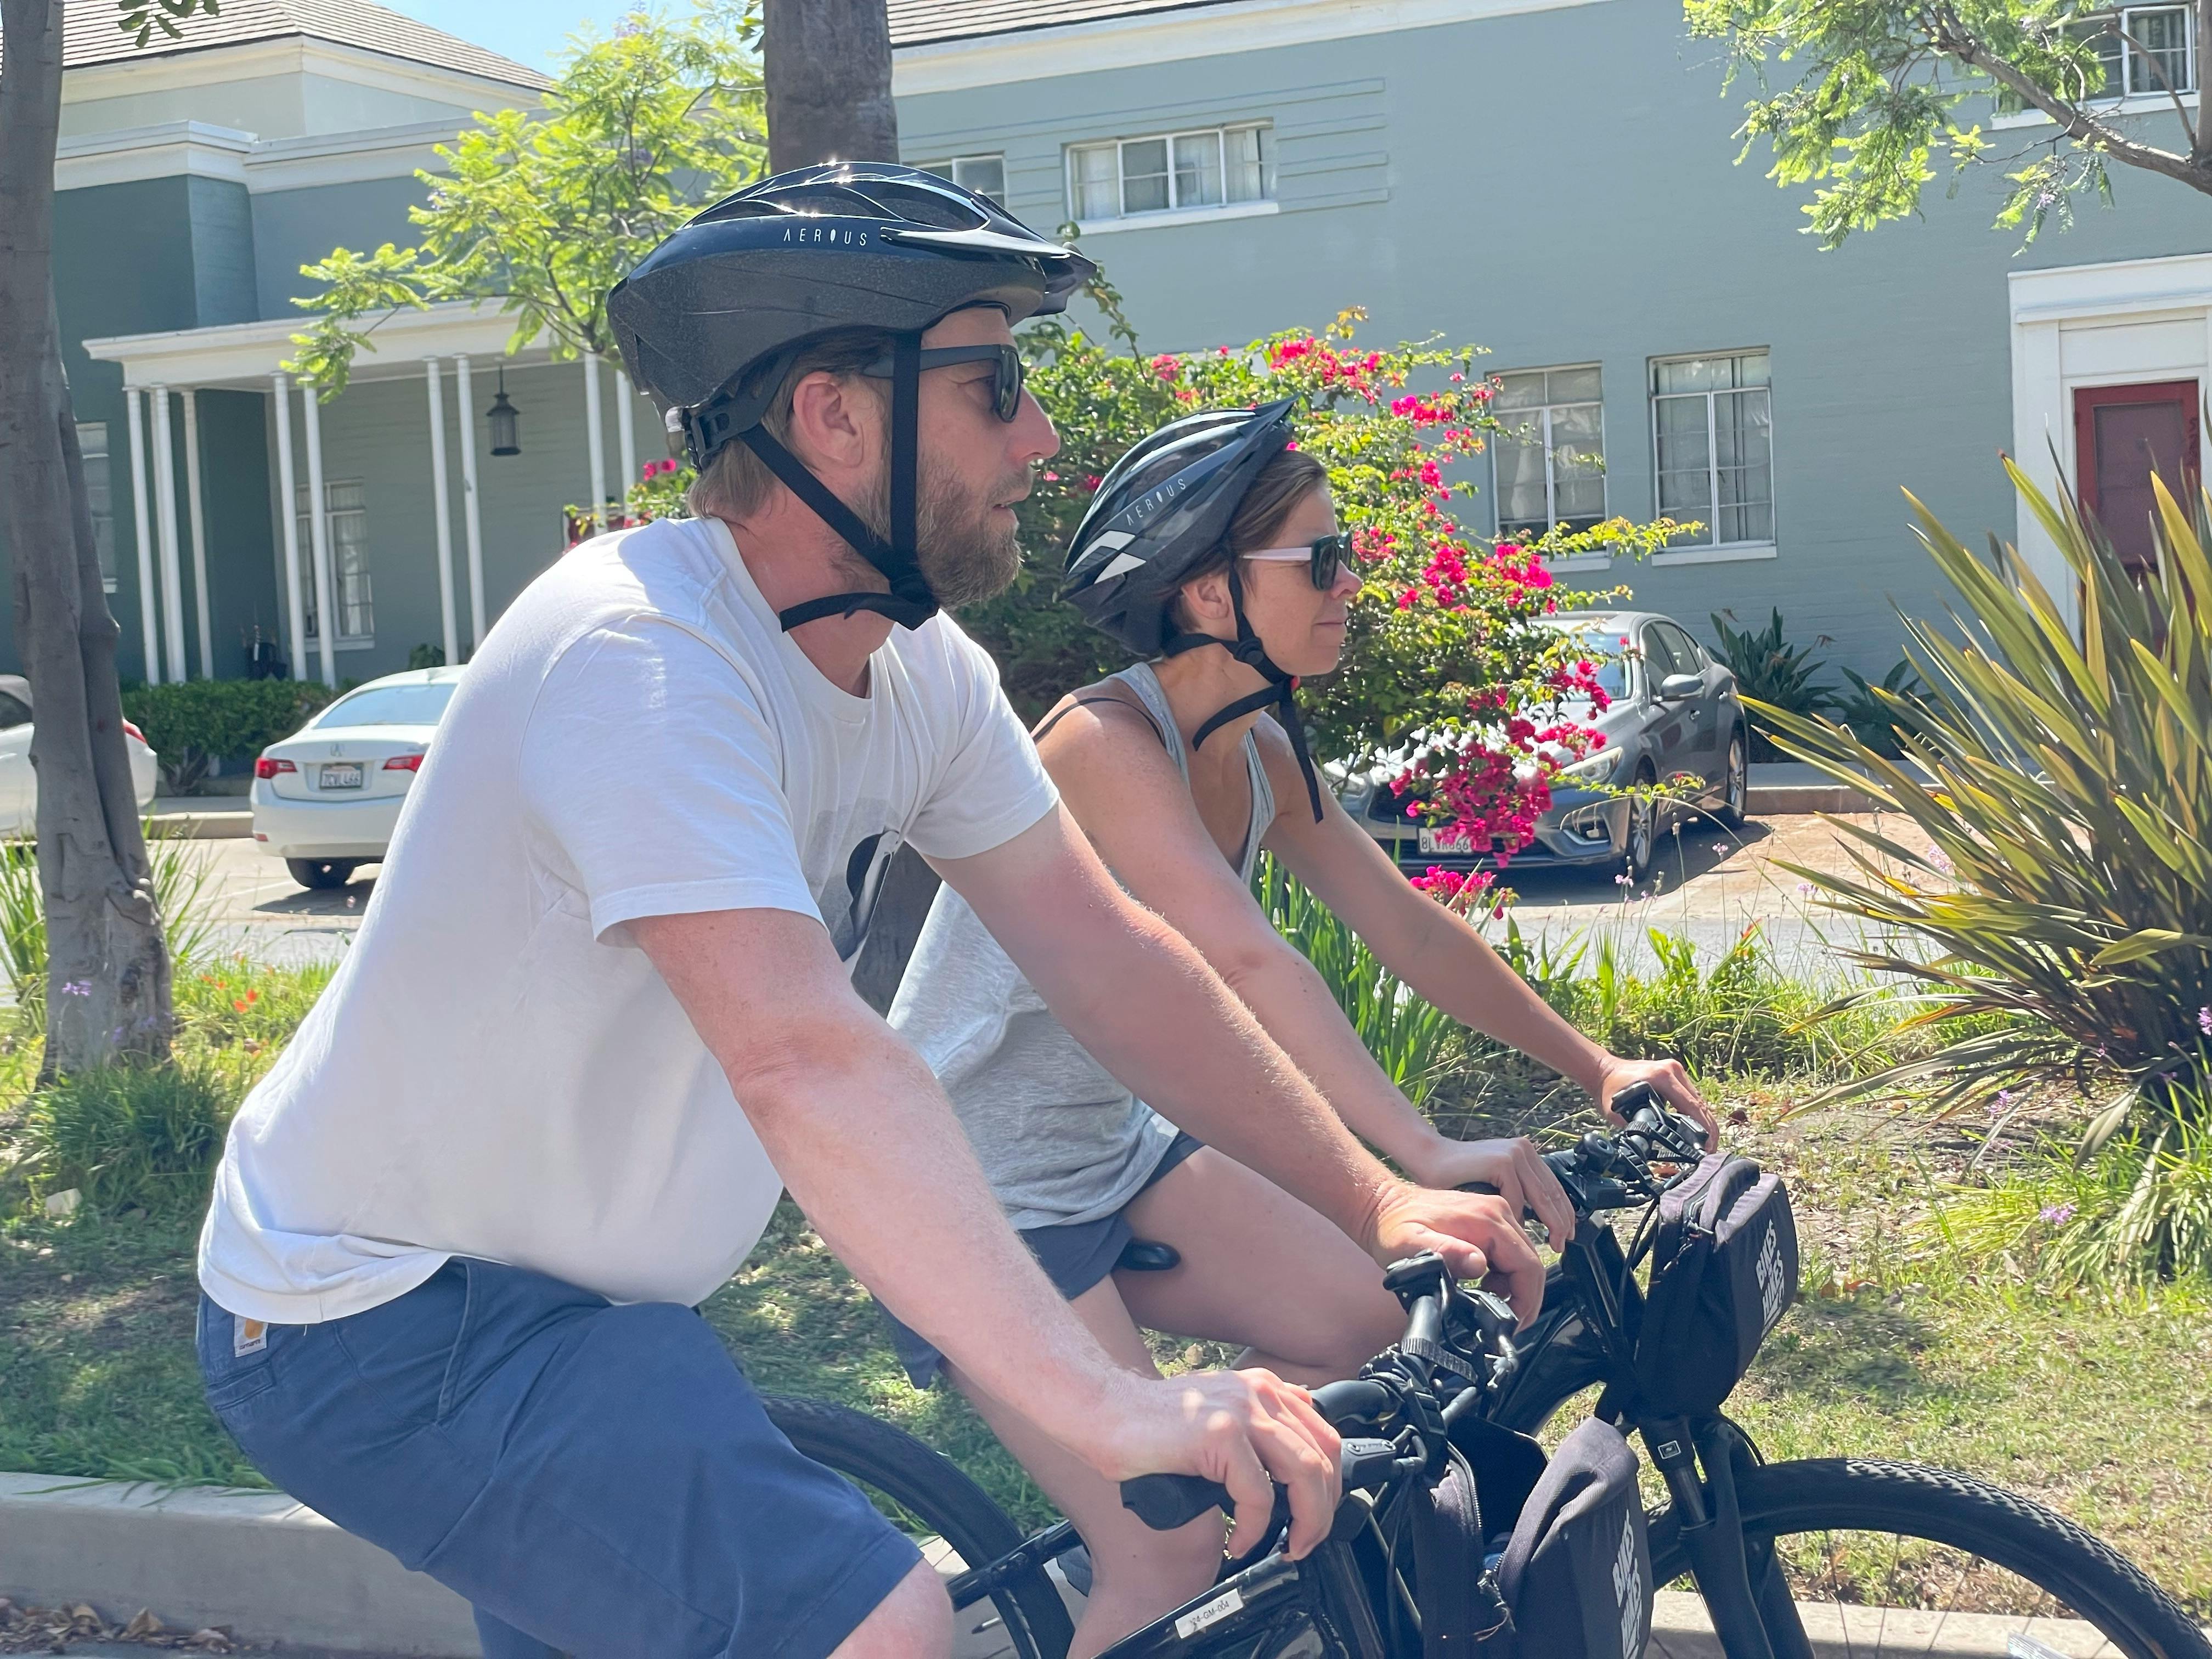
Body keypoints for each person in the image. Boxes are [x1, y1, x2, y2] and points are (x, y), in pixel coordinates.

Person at [191, 165, 1545, 1659]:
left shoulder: (918, 672)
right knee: (879, 1624)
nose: (1039, 436)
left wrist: (1376, 1196)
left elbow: (1108, 955)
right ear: (835, 415)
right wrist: (1104, 1401)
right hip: (382, 1319)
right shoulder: (642, 655)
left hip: (590, 1318)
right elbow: (806, 1059)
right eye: (996, 387)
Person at [888, 400, 1718, 1656]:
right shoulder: (1101, 745)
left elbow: (1415, 932)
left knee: (1383, 1333)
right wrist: (1410, 1161)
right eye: (1318, 560)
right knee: (1159, 1552)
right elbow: (1241, 955)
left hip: (1120, 1158)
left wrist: (1595, 1067)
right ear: (1209, 591)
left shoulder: (1260, 745)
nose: (1348, 584)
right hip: (973, 1193)